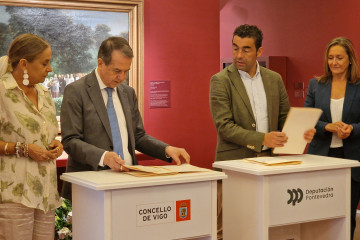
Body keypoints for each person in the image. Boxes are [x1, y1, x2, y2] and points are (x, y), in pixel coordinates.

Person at [209, 24, 315, 240]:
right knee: (230, 227)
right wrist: (263, 138)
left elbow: (285, 117)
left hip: (269, 162)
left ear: (259, 51)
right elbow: (224, 126)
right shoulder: (220, 81)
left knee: (266, 223)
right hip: (234, 163)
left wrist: (301, 130)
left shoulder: (273, 79)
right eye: (235, 47)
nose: (239, 55)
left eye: (246, 49)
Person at [61, 37, 190, 200]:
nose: (121, 77)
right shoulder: (76, 91)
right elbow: (71, 141)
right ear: (101, 63)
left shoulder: (127, 93)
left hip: (129, 182)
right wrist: (104, 157)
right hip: (90, 188)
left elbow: (138, 136)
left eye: (126, 71)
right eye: (116, 71)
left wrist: (166, 149)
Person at [0, 33, 64, 240]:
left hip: (45, 191)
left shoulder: (45, 94)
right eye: (45, 63)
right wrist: (23, 149)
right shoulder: (2, 92)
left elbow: (47, 134)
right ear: (24, 64)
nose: (50, 68)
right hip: (14, 192)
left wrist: (55, 145)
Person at [304, 37, 360, 240]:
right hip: (322, 156)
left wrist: (352, 129)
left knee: (347, 213)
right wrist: (326, 126)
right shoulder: (316, 85)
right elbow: (307, 118)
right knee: (320, 211)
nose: (334, 62)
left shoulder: (358, 85)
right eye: (330, 58)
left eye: (339, 58)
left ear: (350, 60)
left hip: (352, 159)